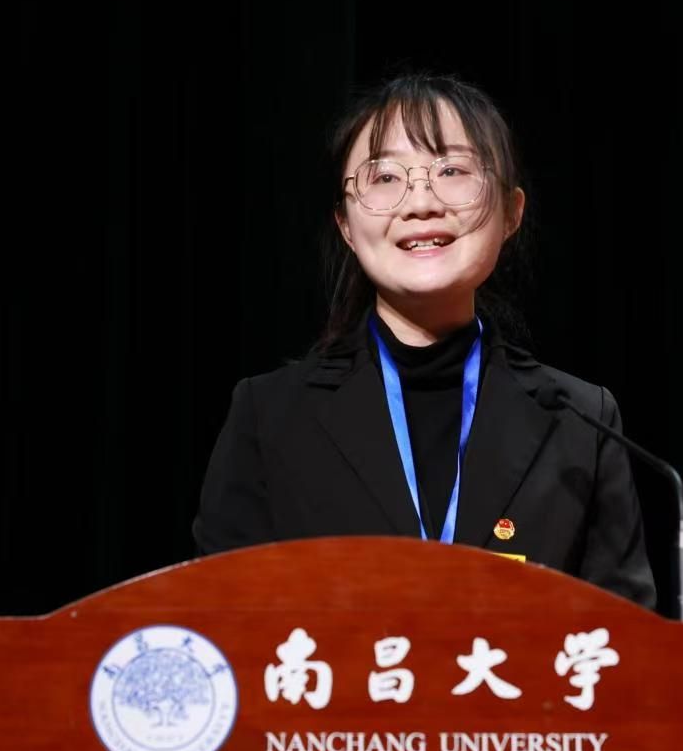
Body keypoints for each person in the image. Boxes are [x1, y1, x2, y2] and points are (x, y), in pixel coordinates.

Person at [192, 73, 655, 608]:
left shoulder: (581, 423)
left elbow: (624, 642)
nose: (420, 203)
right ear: (345, 225)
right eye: (385, 177)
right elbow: (220, 623)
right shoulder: (269, 417)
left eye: (452, 170)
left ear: (512, 212)